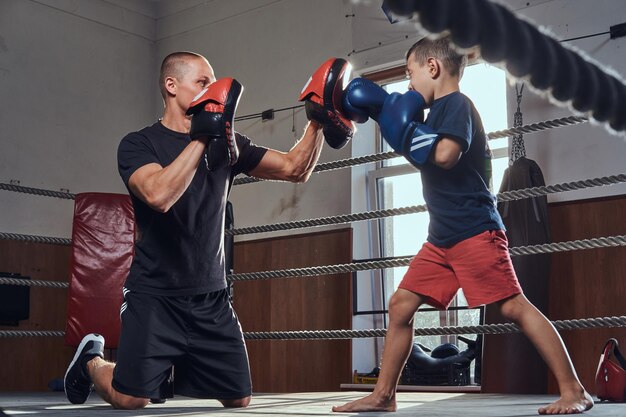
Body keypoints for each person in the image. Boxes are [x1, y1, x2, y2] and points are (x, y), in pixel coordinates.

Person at [330, 37, 594, 415]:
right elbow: (420, 143)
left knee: (514, 307)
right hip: (441, 238)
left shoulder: (457, 105)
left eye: (410, 73)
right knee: (401, 304)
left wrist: (400, 129)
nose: (408, 84)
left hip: (473, 231)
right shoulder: (432, 113)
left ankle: (574, 391)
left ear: (432, 67)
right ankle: (385, 395)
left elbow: (446, 155)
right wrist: (382, 115)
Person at [63, 51, 331, 410]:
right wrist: (204, 136)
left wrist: (318, 119)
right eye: (203, 82)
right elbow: (159, 195)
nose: (213, 90)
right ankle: (92, 360)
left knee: (239, 399)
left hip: (210, 297)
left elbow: (293, 168)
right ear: (171, 86)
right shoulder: (138, 144)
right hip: (155, 295)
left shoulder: (230, 143)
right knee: (131, 399)